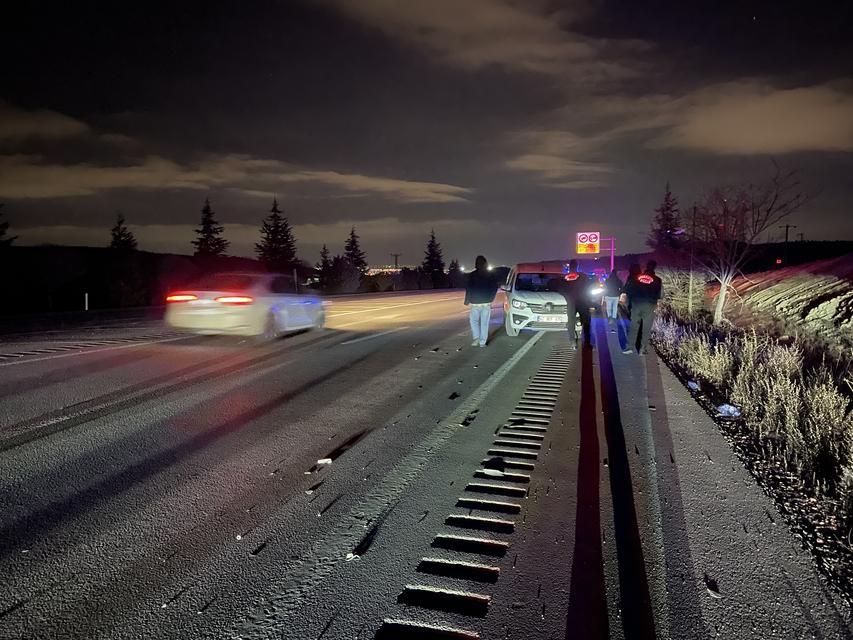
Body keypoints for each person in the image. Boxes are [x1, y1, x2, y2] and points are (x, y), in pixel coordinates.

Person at [548, 259, 591, 350]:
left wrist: (566, 294)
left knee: (571, 322)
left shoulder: (564, 278)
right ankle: (587, 341)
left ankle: (573, 342)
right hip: (582, 302)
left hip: (571, 303)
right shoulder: (583, 277)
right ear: (577, 267)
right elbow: (589, 286)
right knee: (586, 322)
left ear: (569, 267)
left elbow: (557, 287)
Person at [623, 260, 663, 355]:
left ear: (646, 267)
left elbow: (627, 290)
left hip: (636, 304)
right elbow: (661, 295)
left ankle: (630, 347)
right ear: (654, 268)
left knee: (634, 326)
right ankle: (643, 348)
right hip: (650, 306)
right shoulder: (658, 280)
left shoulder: (636, 278)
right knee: (646, 327)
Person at [464, 255, 500, 347]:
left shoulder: (472, 275)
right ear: (485, 264)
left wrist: (467, 300)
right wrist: (491, 298)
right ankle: (482, 342)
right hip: (486, 303)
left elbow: (469, 288)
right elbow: (495, 287)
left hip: (475, 303)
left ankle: (476, 338)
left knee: (474, 321)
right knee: (484, 323)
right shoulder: (490, 275)